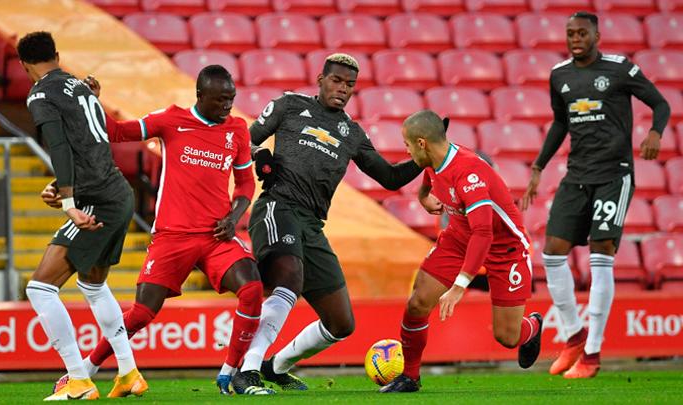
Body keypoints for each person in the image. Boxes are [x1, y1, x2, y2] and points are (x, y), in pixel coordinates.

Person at [43, 65, 269, 395]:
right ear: (200, 96)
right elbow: (117, 132)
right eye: (221, 100)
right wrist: (91, 103)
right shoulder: (171, 119)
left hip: (215, 236)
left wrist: (234, 217)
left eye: (231, 99)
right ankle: (88, 368)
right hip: (172, 236)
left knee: (251, 289)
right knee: (141, 313)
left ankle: (229, 372)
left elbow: (246, 182)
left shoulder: (237, 129)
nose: (227, 106)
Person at [231, 53, 423, 393]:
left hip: (312, 225)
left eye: (350, 85)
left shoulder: (352, 133)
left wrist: (425, 158)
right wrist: (260, 154)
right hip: (278, 206)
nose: (343, 89)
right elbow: (246, 137)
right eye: (336, 81)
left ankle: (275, 366)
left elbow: (390, 178)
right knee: (288, 278)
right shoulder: (289, 105)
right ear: (321, 79)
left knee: (341, 322)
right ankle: (246, 371)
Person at [519, 11, 670, 379]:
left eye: (582, 32)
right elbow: (559, 123)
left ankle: (593, 352)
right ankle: (573, 335)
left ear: (596, 35)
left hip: (613, 175)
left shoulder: (620, 69)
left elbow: (660, 104)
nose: (575, 38)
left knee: (601, 252)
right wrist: (538, 167)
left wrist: (655, 133)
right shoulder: (560, 75)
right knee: (552, 251)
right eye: (570, 33)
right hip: (577, 175)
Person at [19, 31, 145, 400]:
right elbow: (87, 144)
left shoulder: (41, 93)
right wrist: (61, 187)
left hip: (96, 200)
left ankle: (78, 378)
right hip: (119, 192)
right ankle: (128, 372)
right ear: (56, 55)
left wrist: (69, 203)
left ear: (25, 66)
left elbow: (59, 144)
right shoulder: (80, 86)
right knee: (92, 284)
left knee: (40, 288)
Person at [378, 110, 543, 393]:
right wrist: (423, 197)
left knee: (507, 337)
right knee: (417, 303)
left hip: (505, 248)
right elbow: (430, 175)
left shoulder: (469, 172)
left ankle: (533, 327)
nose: (405, 150)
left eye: (406, 144)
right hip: (458, 236)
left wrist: (459, 286)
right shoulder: (434, 157)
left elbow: (484, 233)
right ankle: (410, 376)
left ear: (421, 143)